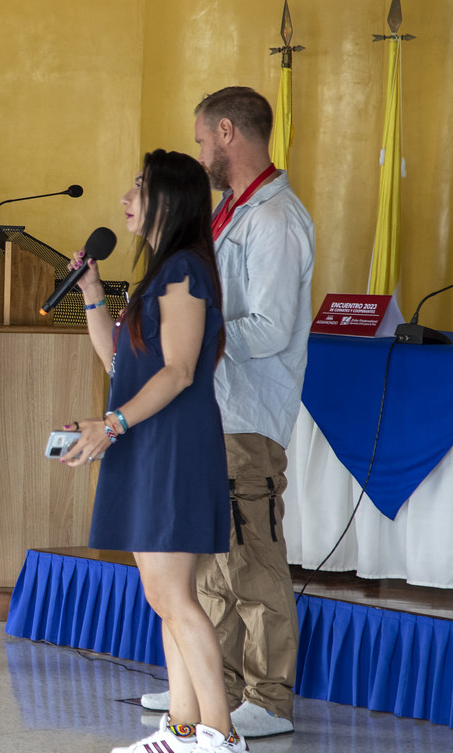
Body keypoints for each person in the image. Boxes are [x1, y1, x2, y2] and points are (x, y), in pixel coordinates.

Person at [139, 87, 315, 738]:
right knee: (212, 560)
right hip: (209, 410)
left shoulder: (275, 219)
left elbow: (269, 327)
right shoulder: (229, 212)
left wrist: (192, 331)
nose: (199, 151)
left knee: (253, 561)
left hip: (247, 415)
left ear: (226, 132)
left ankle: (269, 698)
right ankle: (218, 683)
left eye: (200, 139)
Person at [61, 149, 246, 752]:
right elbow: (121, 365)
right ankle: (183, 729)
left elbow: (180, 371)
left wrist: (111, 425)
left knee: (174, 597)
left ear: (170, 199)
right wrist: (91, 293)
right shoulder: (163, 272)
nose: (126, 198)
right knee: (163, 597)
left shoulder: (185, 271)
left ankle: (220, 734)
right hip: (148, 442)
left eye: (138, 187)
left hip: (170, 446)